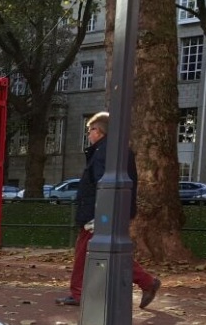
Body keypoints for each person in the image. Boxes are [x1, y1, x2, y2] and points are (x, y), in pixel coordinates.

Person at [57, 111, 161, 309]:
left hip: (99, 214)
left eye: (91, 130)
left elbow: (102, 185)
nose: (88, 134)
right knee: (110, 253)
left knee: (85, 254)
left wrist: (99, 215)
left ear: (100, 131)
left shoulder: (104, 153)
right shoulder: (114, 151)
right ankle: (146, 281)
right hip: (107, 212)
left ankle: (79, 292)